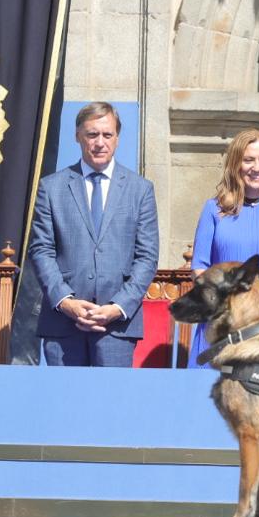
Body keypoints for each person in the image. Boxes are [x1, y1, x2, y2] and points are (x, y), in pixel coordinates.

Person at [27, 101, 160, 366]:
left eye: (107, 135)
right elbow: (41, 250)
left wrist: (118, 306)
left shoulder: (140, 189)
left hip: (117, 326)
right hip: (63, 324)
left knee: (111, 405)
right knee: (64, 405)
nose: (100, 142)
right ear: (78, 136)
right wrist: (66, 302)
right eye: (92, 134)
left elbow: (147, 256)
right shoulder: (51, 188)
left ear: (117, 138)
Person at [187, 129, 259, 365]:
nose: (257, 168)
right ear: (236, 164)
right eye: (248, 160)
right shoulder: (213, 210)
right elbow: (199, 266)